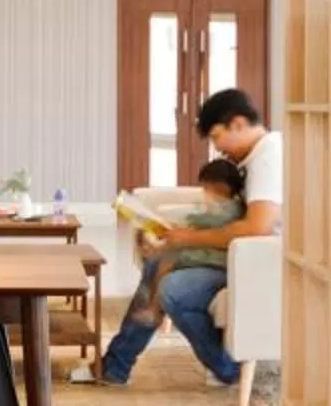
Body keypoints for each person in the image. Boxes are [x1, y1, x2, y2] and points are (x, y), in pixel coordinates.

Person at [85, 88, 282, 390]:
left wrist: (187, 237)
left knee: (173, 289)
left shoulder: (268, 159)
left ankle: (227, 368)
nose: (217, 148)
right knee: (158, 263)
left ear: (239, 124)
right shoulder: (255, 158)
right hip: (239, 258)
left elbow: (257, 227)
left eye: (217, 137)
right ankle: (115, 366)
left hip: (261, 264)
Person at [112, 156, 244, 333]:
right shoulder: (231, 207)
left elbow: (199, 220)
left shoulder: (223, 209)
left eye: (205, 189)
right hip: (208, 252)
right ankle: (153, 308)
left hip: (211, 257)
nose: (204, 194)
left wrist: (184, 224)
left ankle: (155, 309)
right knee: (167, 253)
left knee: (166, 260)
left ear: (214, 187)